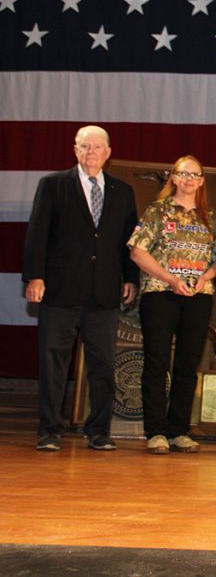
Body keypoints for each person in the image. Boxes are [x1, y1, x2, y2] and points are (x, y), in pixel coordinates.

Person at [23, 125, 139, 452]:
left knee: (102, 364)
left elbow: (127, 241)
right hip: (59, 290)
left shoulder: (123, 191)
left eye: (97, 147)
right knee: (53, 362)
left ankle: (98, 431)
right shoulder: (53, 185)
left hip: (104, 293)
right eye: (84, 147)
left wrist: (130, 278)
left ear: (108, 152)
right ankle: (50, 430)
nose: (90, 152)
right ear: (75, 150)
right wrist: (35, 277)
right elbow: (37, 234)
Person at [128, 155, 216, 455]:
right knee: (157, 362)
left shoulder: (211, 217)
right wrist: (170, 279)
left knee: (187, 364)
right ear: (173, 178)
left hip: (198, 296)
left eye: (194, 174)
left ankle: (178, 430)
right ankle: (155, 430)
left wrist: (205, 276)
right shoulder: (157, 211)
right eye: (183, 174)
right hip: (160, 293)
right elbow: (137, 253)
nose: (188, 179)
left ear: (201, 180)